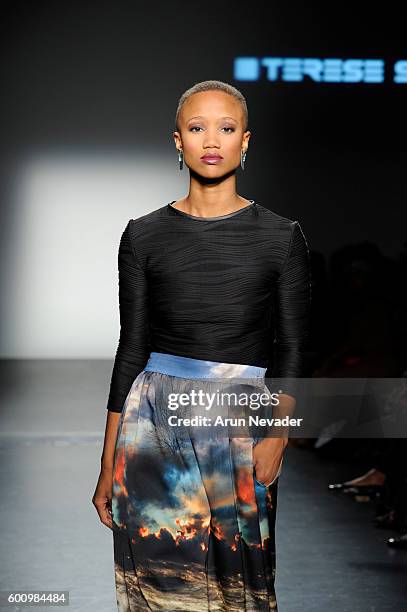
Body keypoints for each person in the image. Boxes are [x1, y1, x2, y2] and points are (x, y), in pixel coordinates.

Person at [92, 80, 312, 611]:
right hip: (153, 424)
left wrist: (279, 438)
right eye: (197, 127)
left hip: (242, 420)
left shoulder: (281, 237)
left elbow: (294, 346)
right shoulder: (142, 235)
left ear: (245, 141)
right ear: (178, 140)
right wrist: (106, 463)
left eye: (226, 127)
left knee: (242, 580)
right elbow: (132, 347)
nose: (211, 139)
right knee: (162, 577)